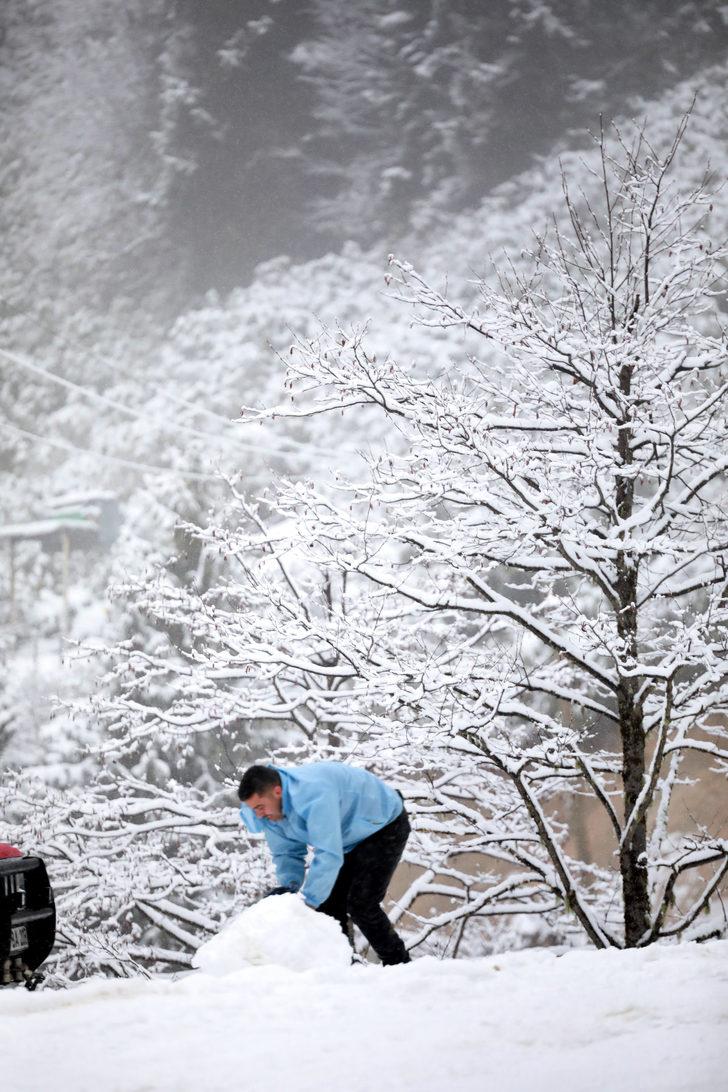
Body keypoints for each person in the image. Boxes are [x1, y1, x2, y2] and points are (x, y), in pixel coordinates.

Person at [238, 762, 411, 965]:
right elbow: (287, 854)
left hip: (383, 824)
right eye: (253, 809)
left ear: (277, 791)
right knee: (328, 906)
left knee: (361, 903)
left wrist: (308, 901)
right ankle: (343, 967)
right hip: (347, 837)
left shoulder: (314, 794)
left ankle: (399, 965)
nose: (258, 814)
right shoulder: (268, 814)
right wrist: (289, 889)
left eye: (260, 807)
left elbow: (329, 854)